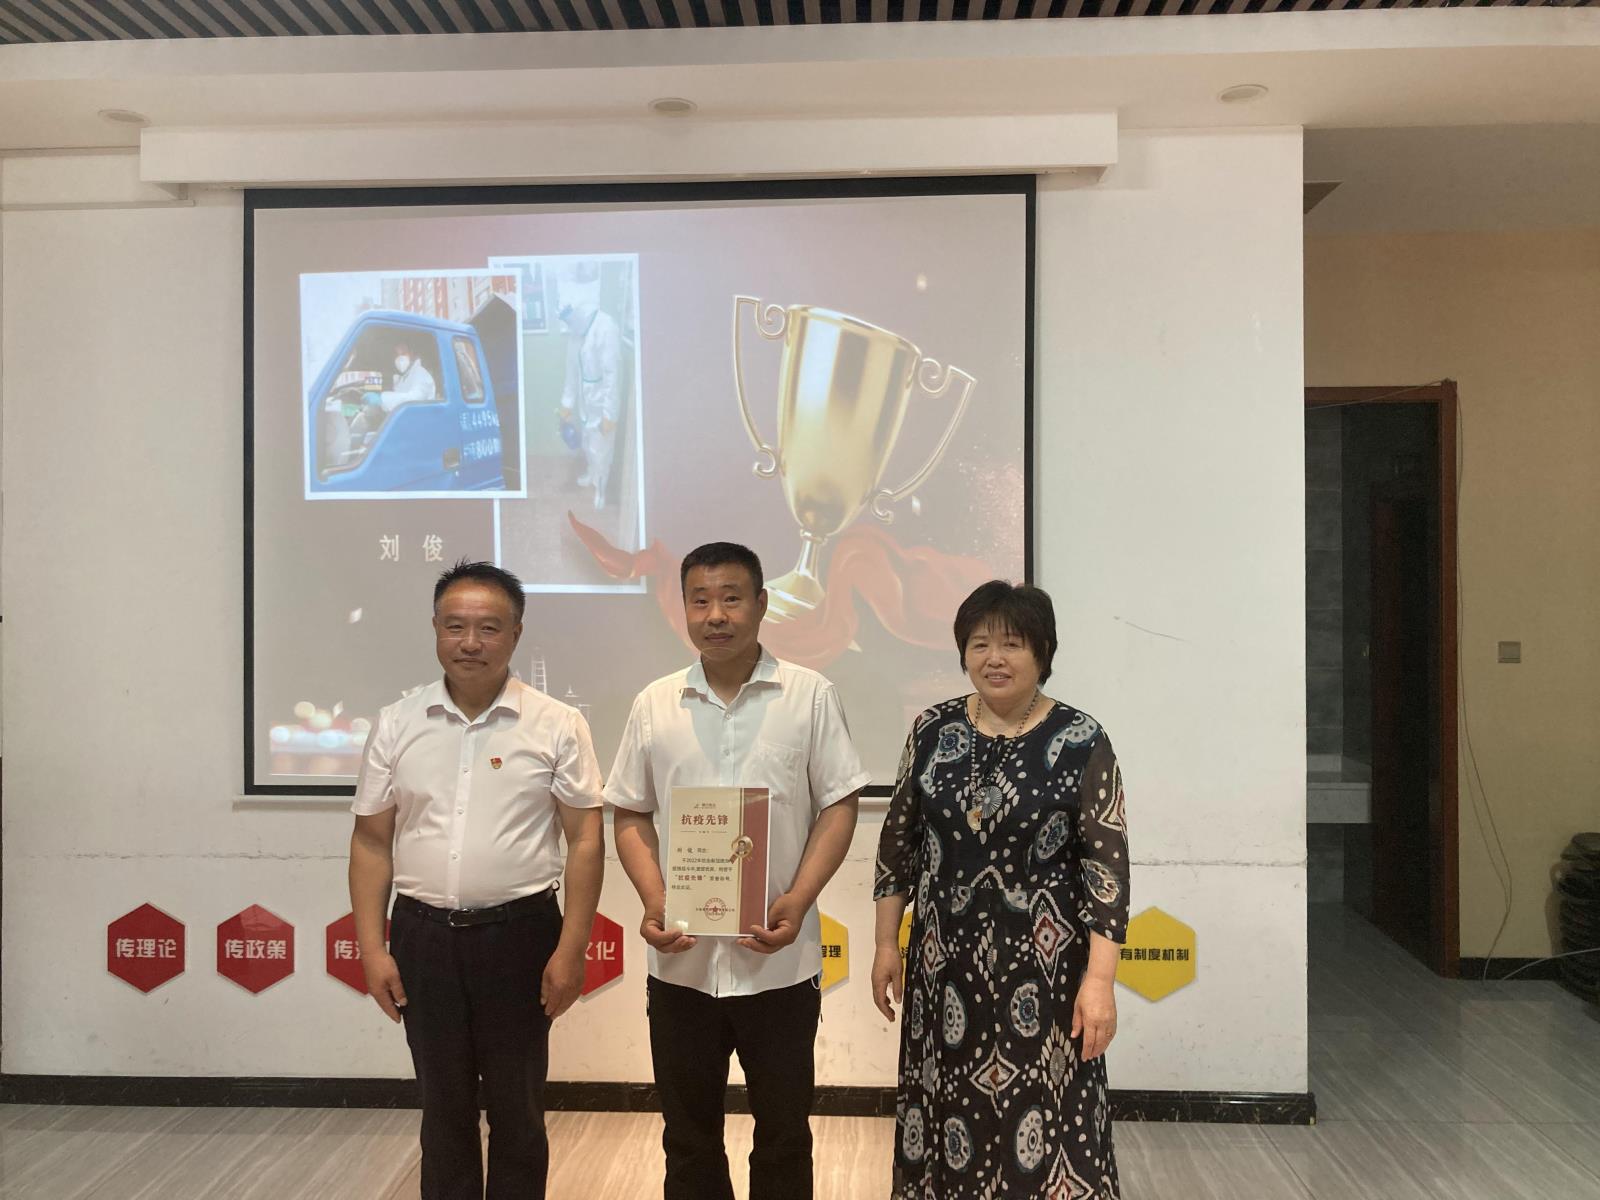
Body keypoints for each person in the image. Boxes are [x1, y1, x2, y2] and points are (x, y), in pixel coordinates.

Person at [606, 542, 869, 1200]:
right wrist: (655, 900)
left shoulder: (809, 696)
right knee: (688, 1136)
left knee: (783, 1134)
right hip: (682, 966)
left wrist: (800, 898)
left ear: (761, 604)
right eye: (700, 600)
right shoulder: (655, 703)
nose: (715, 615)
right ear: (683, 608)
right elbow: (630, 812)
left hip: (778, 966)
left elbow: (839, 804)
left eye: (731, 598)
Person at [348, 559, 605, 1200]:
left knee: (519, 1110)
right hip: (423, 936)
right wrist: (373, 949)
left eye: (489, 628)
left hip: (521, 936)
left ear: (515, 634)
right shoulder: (397, 722)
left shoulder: (557, 724)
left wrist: (572, 949)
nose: (470, 642)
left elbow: (585, 839)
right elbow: (371, 841)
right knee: (443, 1110)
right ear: (435, 628)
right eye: (455, 626)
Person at [871, 580, 1129, 1199]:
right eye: (979, 643)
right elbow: (897, 847)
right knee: (947, 1107)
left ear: (1042, 651)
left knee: (1049, 1112)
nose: (994, 658)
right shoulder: (931, 729)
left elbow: (1108, 872)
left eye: (1012, 644)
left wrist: (1099, 982)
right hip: (944, 969)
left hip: (1048, 972)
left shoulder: (1081, 739)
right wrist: (885, 944)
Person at [558, 301, 622, 510]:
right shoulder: (576, 333)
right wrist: (566, 405)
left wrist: (610, 415)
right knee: (587, 444)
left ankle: (600, 491)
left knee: (601, 451)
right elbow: (571, 372)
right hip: (585, 406)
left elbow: (612, 376)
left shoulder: (606, 327)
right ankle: (591, 474)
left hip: (602, 406)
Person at [350, 339, 439, 442]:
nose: (400, 358)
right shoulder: (403, 377)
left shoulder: (421, 374)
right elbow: (395, 403)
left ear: (412, 353)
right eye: (397, 355)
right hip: (404, 428)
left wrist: (381, 399)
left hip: (418, 431)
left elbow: (414, 399)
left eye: (403, 353)